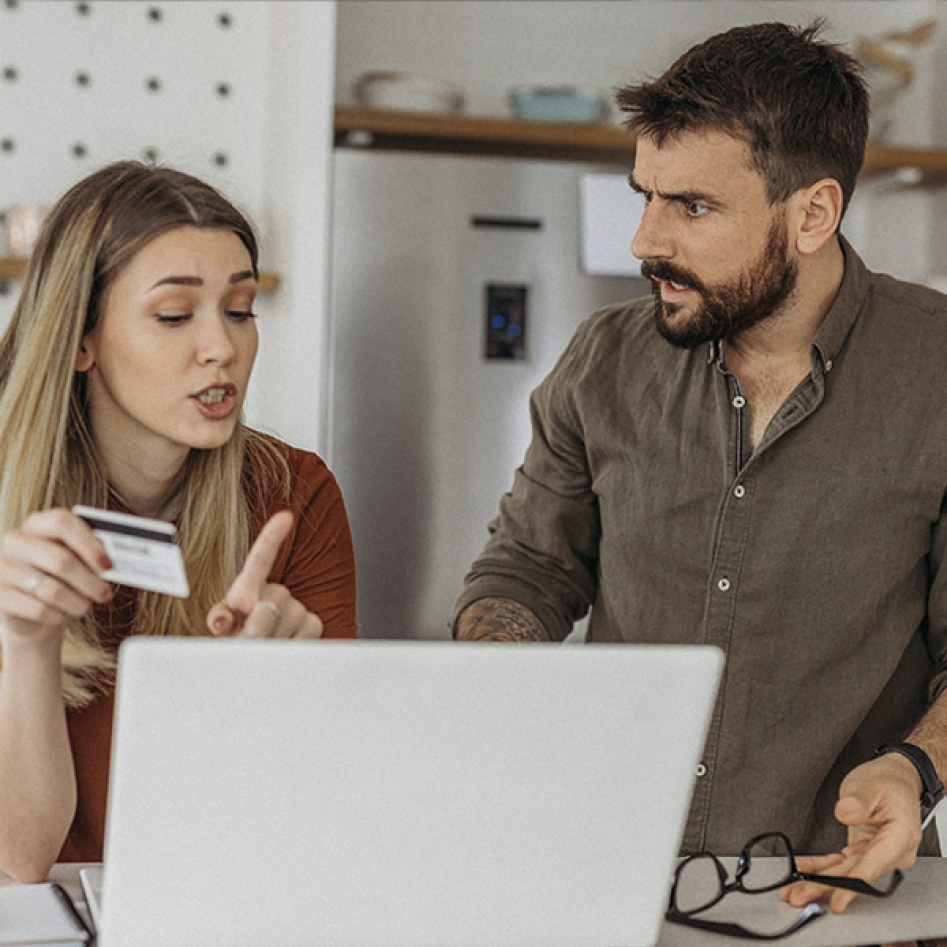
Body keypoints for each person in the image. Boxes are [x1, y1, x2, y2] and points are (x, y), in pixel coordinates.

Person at [453, 19, 947, 917]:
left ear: (812, 214)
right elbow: (527, 570)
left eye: (691, 206)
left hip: (839, 897)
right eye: (643, 194)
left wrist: (913, 767)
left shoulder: (936, 374)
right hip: (604, 883)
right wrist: (506, 679)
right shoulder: (602, 359)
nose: (645, 239)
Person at [0, 161, 357, 883]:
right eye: (174, 315)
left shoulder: (295, 496)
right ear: (79, 338)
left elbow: (317, 823)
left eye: (240, 308)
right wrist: (27, 643)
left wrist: (277, 701)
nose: (221, 347)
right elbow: (19, 860)